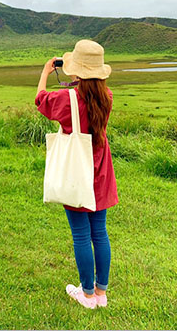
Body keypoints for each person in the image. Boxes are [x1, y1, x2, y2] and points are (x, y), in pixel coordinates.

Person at [36, 39, 118, 310]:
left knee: (81, 235)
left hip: (77, 171)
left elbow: (41, 101)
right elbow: (85, 94)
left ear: (78, 72)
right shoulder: (107, 96)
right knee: (100, 233)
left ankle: (86, 294)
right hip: (101, 169)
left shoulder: (65, 98)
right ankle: (101, 293)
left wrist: (46, 73)